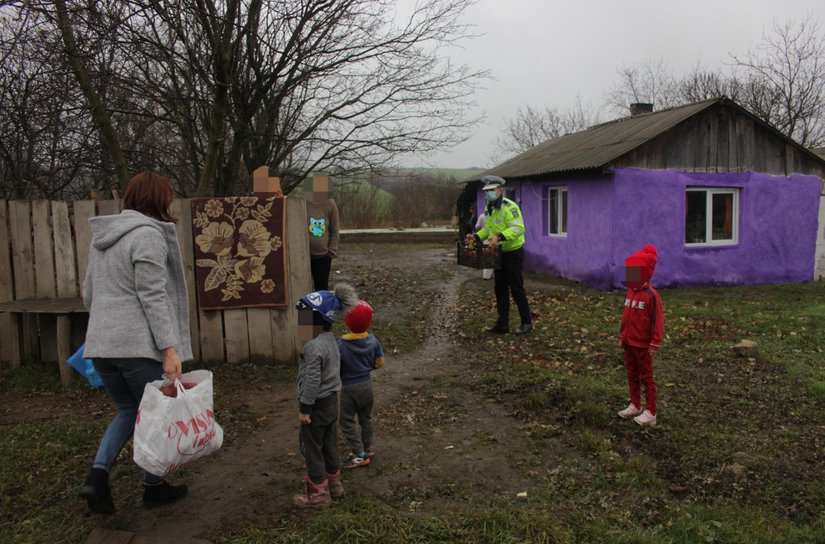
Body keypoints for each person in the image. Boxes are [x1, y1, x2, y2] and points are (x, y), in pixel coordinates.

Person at [79, 171, 192, 514]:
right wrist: (169, 349)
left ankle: (97, 478)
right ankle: (153, 487)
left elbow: (88, 295)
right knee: (154, 416)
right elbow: (153, 296)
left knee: (130, 410)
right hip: (136, 349)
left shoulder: (103, 238)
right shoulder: (147, 236)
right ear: (159, 200)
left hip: (100, 347)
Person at [294, 283, 358, 507]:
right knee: (329, 444)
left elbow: (312, 381)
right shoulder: (331, 341)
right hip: (332, 401)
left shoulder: (312, 346)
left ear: (316, 320)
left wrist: (305, 409)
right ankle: (335, 486)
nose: (299, 322)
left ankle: (318, 496)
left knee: (312, 448)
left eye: (302, 317)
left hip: (317, 404)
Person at [466, 175, 533, 334]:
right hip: (497, 253)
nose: (488, 193)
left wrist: (501, 237)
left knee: (516, 288)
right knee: (500, 288)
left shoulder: (510, 207)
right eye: (486, 191)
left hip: (513, 253)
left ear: (499, 190)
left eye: (491, 190)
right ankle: (502, 324)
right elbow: (488, 230)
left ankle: (527, 322)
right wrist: (476, 237)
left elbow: (519, 229)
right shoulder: (488, 209)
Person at [618, 244, 664, 427]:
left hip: (643, 345)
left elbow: (656, 321)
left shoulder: (651, 296)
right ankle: (635, 404)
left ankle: (651, 411)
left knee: (646, 377)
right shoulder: (630, 292)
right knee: (632, 373)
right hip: (629, 342)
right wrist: (623, 335)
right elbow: (626, 317)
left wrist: (654, 343)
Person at [337, 301, 385, 468]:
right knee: (366, 418)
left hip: (349, 388)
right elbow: (380, 362)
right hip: (366, 385)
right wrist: (368, 367)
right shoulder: (373, 341)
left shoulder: (342, 344)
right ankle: (368, 447)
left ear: (347, 322)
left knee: (346, 420)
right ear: (369, 322)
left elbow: (336, 365)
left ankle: (359, 454)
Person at [306, 177, 340, 291]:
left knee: (321, 289)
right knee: (304, 288)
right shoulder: (303, 203)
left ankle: (320, 309)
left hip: (323, 256)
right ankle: (304, 309)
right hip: (304, 256)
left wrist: (331, 251)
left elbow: (334, 229)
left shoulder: (330, 204)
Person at [474, 211, 494, 280]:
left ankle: (487, 275)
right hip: (494, 238)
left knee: (488, 255)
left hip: (484, 237)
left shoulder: (482, 216)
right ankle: (487, 275)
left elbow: (477, 226)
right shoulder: (495, 216)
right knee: (492, 256)